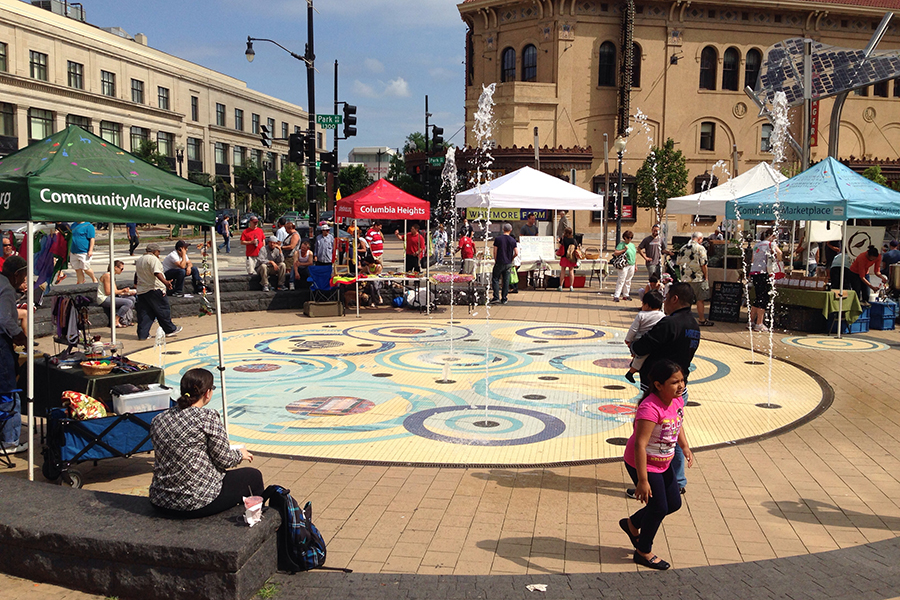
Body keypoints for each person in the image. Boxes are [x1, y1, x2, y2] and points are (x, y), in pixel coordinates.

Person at [150, 368, 263, 519]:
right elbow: (224, 459)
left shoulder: (159, 419)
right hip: (194, 501)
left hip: (160, 499)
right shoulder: (207, 417)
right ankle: (259, 522)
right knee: (253, 476)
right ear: (207, 393)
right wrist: (239, 454)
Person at [619, 359, 694, 570]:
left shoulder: (677, 400)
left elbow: (678, 424)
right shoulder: (650, 408)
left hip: (664, 462)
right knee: (658, 507)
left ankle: (632, 524)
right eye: (674, 382)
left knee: (673, 504)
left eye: (682, 380)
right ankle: (643, 551)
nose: (680, 386)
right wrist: (642, 481)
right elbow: (639, 446)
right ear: (659, 385)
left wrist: (685, 446)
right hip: (643, 464)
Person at [628, 282, 700, 498]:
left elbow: (641, 347)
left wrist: (635, 345)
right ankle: (676, 481)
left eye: (667, 297)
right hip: (680, 386)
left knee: (650, 436)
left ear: (675, 299)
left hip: (661, 390)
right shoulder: (694, 325)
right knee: (672, 431)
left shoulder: (669, 323)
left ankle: (651, 482)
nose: (665, 302)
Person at [0, 256, 27, 454]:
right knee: (8, 389)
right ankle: (10, 440)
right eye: (24, 275)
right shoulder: (7, 288)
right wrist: (19, 335)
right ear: (16, 274)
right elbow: (5, 319)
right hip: (1, 344)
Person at [135, 243, 181, 341]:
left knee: (145, 313)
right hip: (154, 288)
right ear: (154, 251)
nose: (159, 253)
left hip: (142, 290)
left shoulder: (140, 260)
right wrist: (166, 282)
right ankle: (170, 329)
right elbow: (157, 272)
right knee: (162, 309)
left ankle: (143, 334)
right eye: (158, 251)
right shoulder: (153, 259)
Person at [624, 290, 665, 383]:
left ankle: (631, 372)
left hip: (639, 339)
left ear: (647, 305)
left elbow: (633, 329)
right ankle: (633, 366)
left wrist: (628, 339)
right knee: (641, 356)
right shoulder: (662, 316)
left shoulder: (641, 315)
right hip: (654, 340)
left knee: (640, 357)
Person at [748, 229, 782, 332]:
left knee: (758, 297)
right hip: (763, 273)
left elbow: (753, 260)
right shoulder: (770, 244)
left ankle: (750, 322)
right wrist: (778, 260)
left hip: (754, 272)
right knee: (764, 298)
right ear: (771, 236)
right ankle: (759, 323)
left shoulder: (757, 245)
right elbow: (779, 253)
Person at [676, 232, 713, 326]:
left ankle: (684, 319)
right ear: (700, 239)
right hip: (697, 278)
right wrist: (706, 276)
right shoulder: (700, 248)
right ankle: (701, 319)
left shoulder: (683, 248)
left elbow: (678, 262)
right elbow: (703, 264)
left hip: (685, 278)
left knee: (686, 300)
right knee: (699, 300)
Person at [97, 260, 137, 328]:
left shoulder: (112, 276)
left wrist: (126, 292)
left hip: (111, 297)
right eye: (121, 269)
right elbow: (108, 292)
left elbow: (115, 291)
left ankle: (125, 320)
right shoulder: (107, 276)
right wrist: (123, 290)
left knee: (132, 298)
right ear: (115, 267)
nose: (122, 271)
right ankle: (116, 320)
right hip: (104, 299)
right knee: (128, 302)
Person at [491, 223, 518, 305]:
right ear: (510, 230)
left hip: (499, 261)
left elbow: (495, 251)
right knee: (506, 281)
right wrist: (511, 258)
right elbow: (516, 252)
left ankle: (496, 297)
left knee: (495, 278)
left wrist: (496, 259)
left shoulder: (498, 239)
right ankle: (504, 298)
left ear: (503, 229)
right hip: (508, 263)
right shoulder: (513, 240)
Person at [612, 230, 636, 301]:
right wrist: (624, 250)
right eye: (628, 237)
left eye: (631, 238)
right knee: (621, 280)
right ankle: (616, 295)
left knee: (628, 280)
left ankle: (626, 294)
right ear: (624, 237)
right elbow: (616, 253)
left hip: (632, 264)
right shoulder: (621, 244)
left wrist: (636, 265)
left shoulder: (632, 245)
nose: (630, 239)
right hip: (624, 265)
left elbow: (635, 255)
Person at [558, 227, 579, 292]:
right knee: (571, 271)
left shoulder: (563, 239)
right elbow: (576, 248)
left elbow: (560, 245)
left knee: (563, 271)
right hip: (571, 258)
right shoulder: (573, 240)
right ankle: (571, 286)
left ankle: (561, 286)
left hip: (564, 257)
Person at [281, 222, 301, 288]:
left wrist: (282, 247)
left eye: (286, 229)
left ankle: (289, 284)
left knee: (289, 271)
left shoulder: (295, 235)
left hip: (291, 256)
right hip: (286, 256)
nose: (285, 231)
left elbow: (292, 246)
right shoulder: (290, 235)